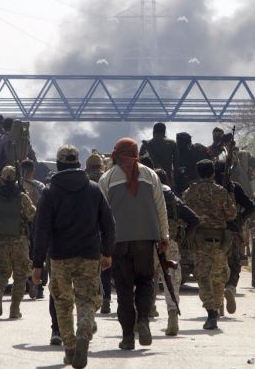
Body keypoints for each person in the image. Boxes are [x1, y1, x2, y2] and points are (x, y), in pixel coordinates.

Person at [32, 145, 115, 368]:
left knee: (62, 302)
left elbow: (41, 230)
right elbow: (109, 224)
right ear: (79, 164)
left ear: (59, 165)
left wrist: (37, 263)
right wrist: (107, 252)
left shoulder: (50, 192)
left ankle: (69, 347)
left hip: (59, 257)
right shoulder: (94, 189)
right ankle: (83, 336)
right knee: (87, 300)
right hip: (89, 255)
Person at [98, 138, 169, 351]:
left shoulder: (107, 178)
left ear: (116, 153)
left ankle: (128, 336)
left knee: (124, 288)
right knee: (146, 282)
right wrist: (164, 236)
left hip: (118, 243)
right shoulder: (151, 175)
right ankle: (144, 322)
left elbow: (101, 215)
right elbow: (160, 207)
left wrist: (102, 246)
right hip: (146, 240)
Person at [183, 159, 236, 330]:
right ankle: (217, 306)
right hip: (219, 241)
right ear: (213, 173)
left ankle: (211, 311)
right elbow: (231, 214)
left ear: (198, 173)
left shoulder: (190, 192)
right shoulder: (221, 191)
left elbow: (184, 212)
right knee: (219, 277)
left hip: (200, 240)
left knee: (203, 276)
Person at [0, 165, 36, 319]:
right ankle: (14, 309)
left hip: (0, 241)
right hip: (20, 241)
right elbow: (32, 215)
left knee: (2, 272)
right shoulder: (22, 198)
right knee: (21, 274)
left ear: (2, 179)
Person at [154, 168, 199, 336]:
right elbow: (194, 219)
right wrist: (182, 239)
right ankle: (173, 312)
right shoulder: (173, 199)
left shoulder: (147, 195)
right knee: (170, 281)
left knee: (143, 280)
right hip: (170, 243)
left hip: (148, 243)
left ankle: (141, 316)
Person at [214, 161, 255, 315]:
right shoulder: (234, 187)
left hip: (211, 234)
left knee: (214, 269)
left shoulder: (209, 189)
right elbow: (251, 206)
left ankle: (218, 305)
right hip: (231, 232)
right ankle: (231, 287)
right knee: (234, 264)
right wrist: (240, 219)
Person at [85, 152, 112, 315]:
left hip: (88, 229)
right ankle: (107, 298)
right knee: (106, 267)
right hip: (105, 227)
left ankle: (93, 298)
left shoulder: (84, 180)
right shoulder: (108, 178)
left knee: (88, 269)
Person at [21, 159, 46, 299]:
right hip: (36, 225)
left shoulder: (17, 187)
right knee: (37, 255)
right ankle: (38, 286)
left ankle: (28, 283)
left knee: (23, 256)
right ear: (33, 171)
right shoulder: (39, 186)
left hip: (22, 227)